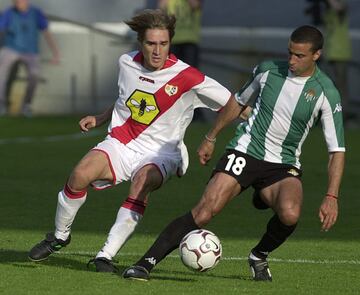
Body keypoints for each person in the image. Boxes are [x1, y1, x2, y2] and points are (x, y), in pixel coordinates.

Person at [123, 25, 345, 282]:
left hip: (283, 164)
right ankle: (144, 264)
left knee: (290, 214)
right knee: (204, 211)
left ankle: (259, 255)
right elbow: (238, 102)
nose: (291, 60)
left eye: (300, 56)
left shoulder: (326, 92)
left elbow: (337, 150)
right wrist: (211, 136)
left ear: (316, 55)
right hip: (246, 151)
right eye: (290, 53)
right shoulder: (267, 71)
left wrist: (332, 195)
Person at [28, 9, 231, 273]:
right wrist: (100, 118)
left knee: (141, 182)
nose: (157, 51)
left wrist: (211, 137)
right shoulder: (126, 63)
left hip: (163, 152)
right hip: (122, 142)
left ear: (170, 42)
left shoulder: (188, 77)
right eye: (151, 44)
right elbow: (127, 99)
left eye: (163, 44)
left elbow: (233, 102)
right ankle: (59, 236)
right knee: (79, 174)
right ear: (140, 43)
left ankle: (105, 255)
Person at [0, 0, 60, 117]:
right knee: (1, 72)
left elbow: (47, 32)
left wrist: (56, 53)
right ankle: (1, 104)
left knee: (34, 74)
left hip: (30, 51)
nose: (17, 3)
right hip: (11, 48)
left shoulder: (36, 13)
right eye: (15, 1)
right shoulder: (9, 13)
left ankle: (26, 105)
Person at [322, 0, 352, 121]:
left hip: (341, 54)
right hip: (330, 53)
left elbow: (340, 8)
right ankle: (330, 114)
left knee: (341, 87)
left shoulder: (341, 10)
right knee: (328, 87)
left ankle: (343, 115)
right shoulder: (328, 13)